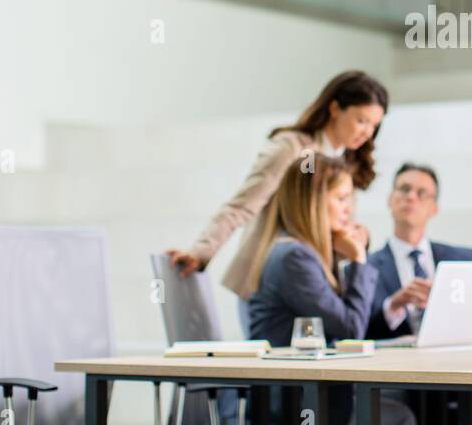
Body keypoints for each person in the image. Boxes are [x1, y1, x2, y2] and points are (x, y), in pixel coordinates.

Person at [165, 70, 388, 337]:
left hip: (311, 282)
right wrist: (201, 252)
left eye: (374, 125)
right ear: (335, 108)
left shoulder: (346, 162)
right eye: (361, 120)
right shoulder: (293, 150)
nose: (367, 133)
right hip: (269, 279)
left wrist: (353, 239)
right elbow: (243, 205)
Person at [247, 153, 417, 425]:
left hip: (302, 397)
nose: (349, 209)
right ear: (311, 202)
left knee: (395, 400)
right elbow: (351, 328)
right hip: (292, 408)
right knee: (401, 421)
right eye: (340, 198)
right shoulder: (293, 257)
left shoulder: (302, 254)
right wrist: (359, 261)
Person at [366, 162, 472, 339]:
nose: (411, 197)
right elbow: (358, 330)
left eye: (422, 193)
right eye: (404, 189)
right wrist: (393, 306)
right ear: (390, 199)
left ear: (434, 208)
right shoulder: (365, 266)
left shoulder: (465, 259)